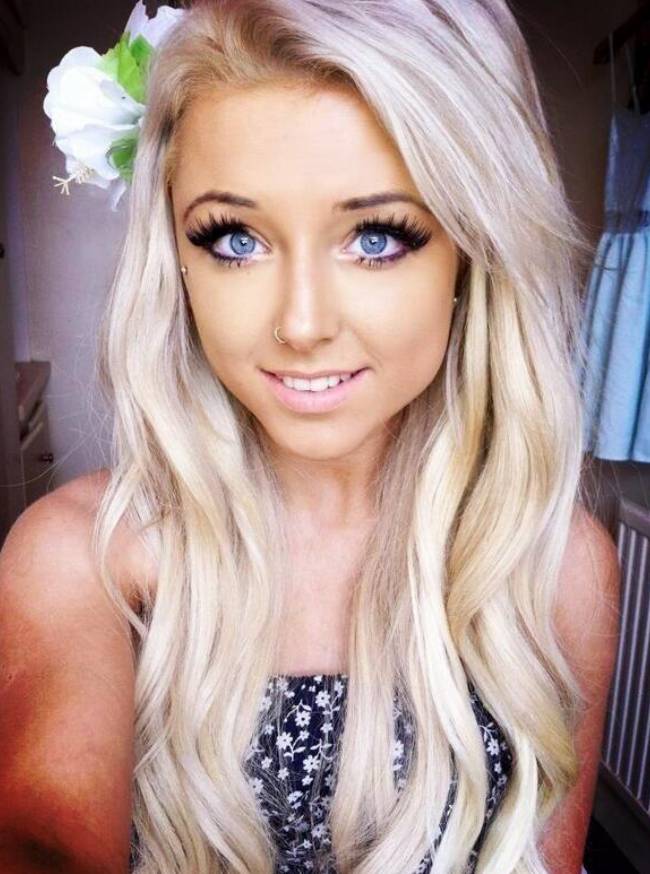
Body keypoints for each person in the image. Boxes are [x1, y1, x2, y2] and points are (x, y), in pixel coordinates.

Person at [0, 1, 621, 873]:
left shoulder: (555, 568)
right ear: (176, 258)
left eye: (376, 237)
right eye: (235, 238)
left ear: (472, 251)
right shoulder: (86, 559)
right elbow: (44, 834)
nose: (300, 324)